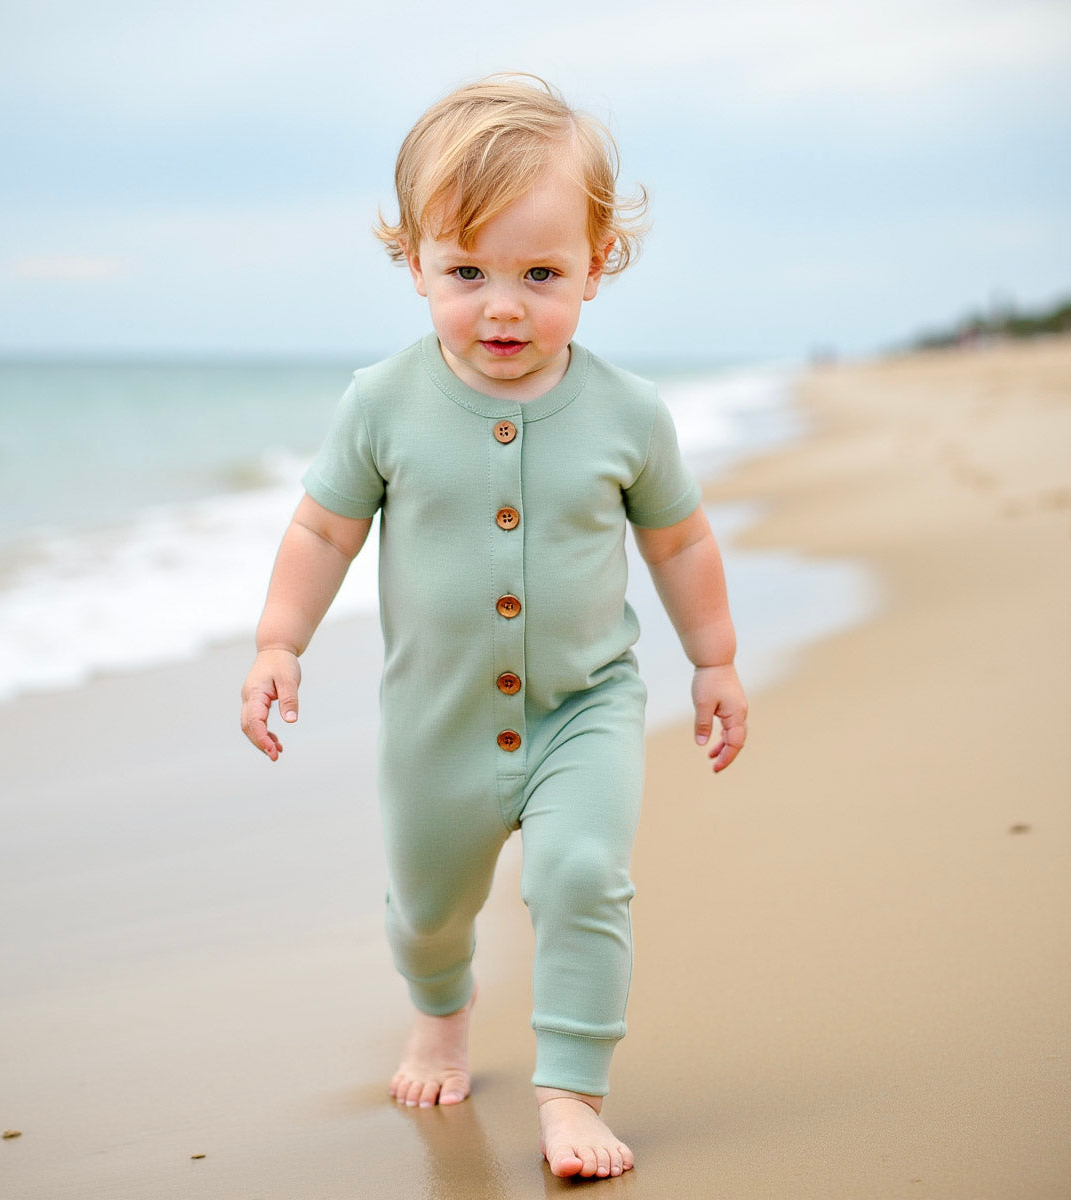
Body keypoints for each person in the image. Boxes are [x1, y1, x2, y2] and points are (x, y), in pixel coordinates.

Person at [240, 74, 747, 1181]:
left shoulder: (626, 413)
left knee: (581, 876)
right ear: (414, 261)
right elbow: (322, 530)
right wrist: (280, 642)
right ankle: (441, 1013)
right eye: (467, 272)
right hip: (439, 723)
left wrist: (713, 661)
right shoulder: (382, 402)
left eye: (540, 275)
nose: (502, 307)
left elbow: (679, 542)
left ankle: (572, 1090)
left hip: (585, 704)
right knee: (428, 911)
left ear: (597, 265)